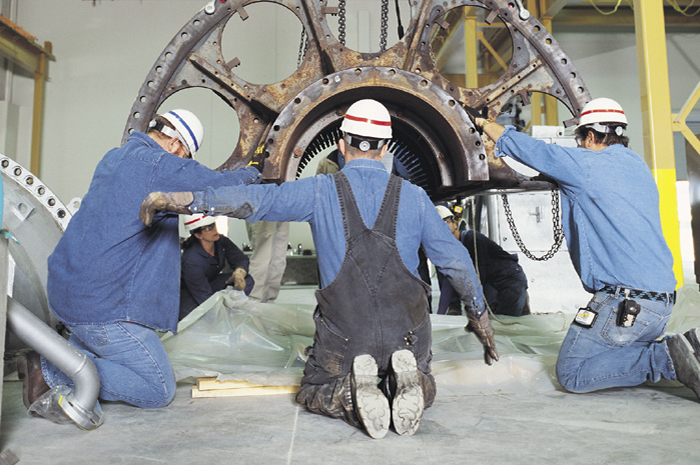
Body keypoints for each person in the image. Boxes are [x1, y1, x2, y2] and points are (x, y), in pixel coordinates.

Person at [140, 99, 498, 438]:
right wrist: (480, 316)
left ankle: (348, 393)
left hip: (346, 341)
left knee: (312, 390)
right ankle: (410, 382)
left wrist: (180, 200)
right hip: (408, 337)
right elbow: (457, 262)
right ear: (385, 149)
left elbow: (253, 202)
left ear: (342, 146)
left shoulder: (319, 191)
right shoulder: (417, 199)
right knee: (422, 377)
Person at [16, 109, 264, 418]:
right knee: (157, 387)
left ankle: (66, 354)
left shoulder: (113, 157)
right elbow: (218, 187)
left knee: (102, 353)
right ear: (175, 144)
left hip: (70, 295)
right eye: (184, 155)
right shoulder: (157, 164)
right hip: (101, 308)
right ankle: (50, 370)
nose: (182, 162)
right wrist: (253, 172)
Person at [473, 97, 700, 399]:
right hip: (661, 307)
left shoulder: (587, 164)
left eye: (580, 141)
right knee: (619, 359)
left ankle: (666, 359)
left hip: (625, 306)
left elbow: (537, 152)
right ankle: (677, 352)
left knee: (574, 373)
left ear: (590, 136)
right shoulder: (638, 165)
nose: (579, 148)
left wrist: (484, 124)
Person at [435, 205, 530, 317]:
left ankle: (523, 304)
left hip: (509, 280)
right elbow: (446, 282)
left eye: (446, 222)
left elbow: (478, 276)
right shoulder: (443, 252)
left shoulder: (472, 239)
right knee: (493, 321)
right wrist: (448, 310)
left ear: (455, 224)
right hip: (489, 282)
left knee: (507, 320)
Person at [180, 213, 255, 320]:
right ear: (198, 235)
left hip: (210, 283)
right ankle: (223, 314)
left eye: (213, 224)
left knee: (247, 280)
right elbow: (203, 296)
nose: (215, 229)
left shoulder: (221, 241)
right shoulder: (192, 261)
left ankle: (229, 311)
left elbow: (240, 258)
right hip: (192, 293)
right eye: (208, 228)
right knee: (195, 318)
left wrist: (240, 271)